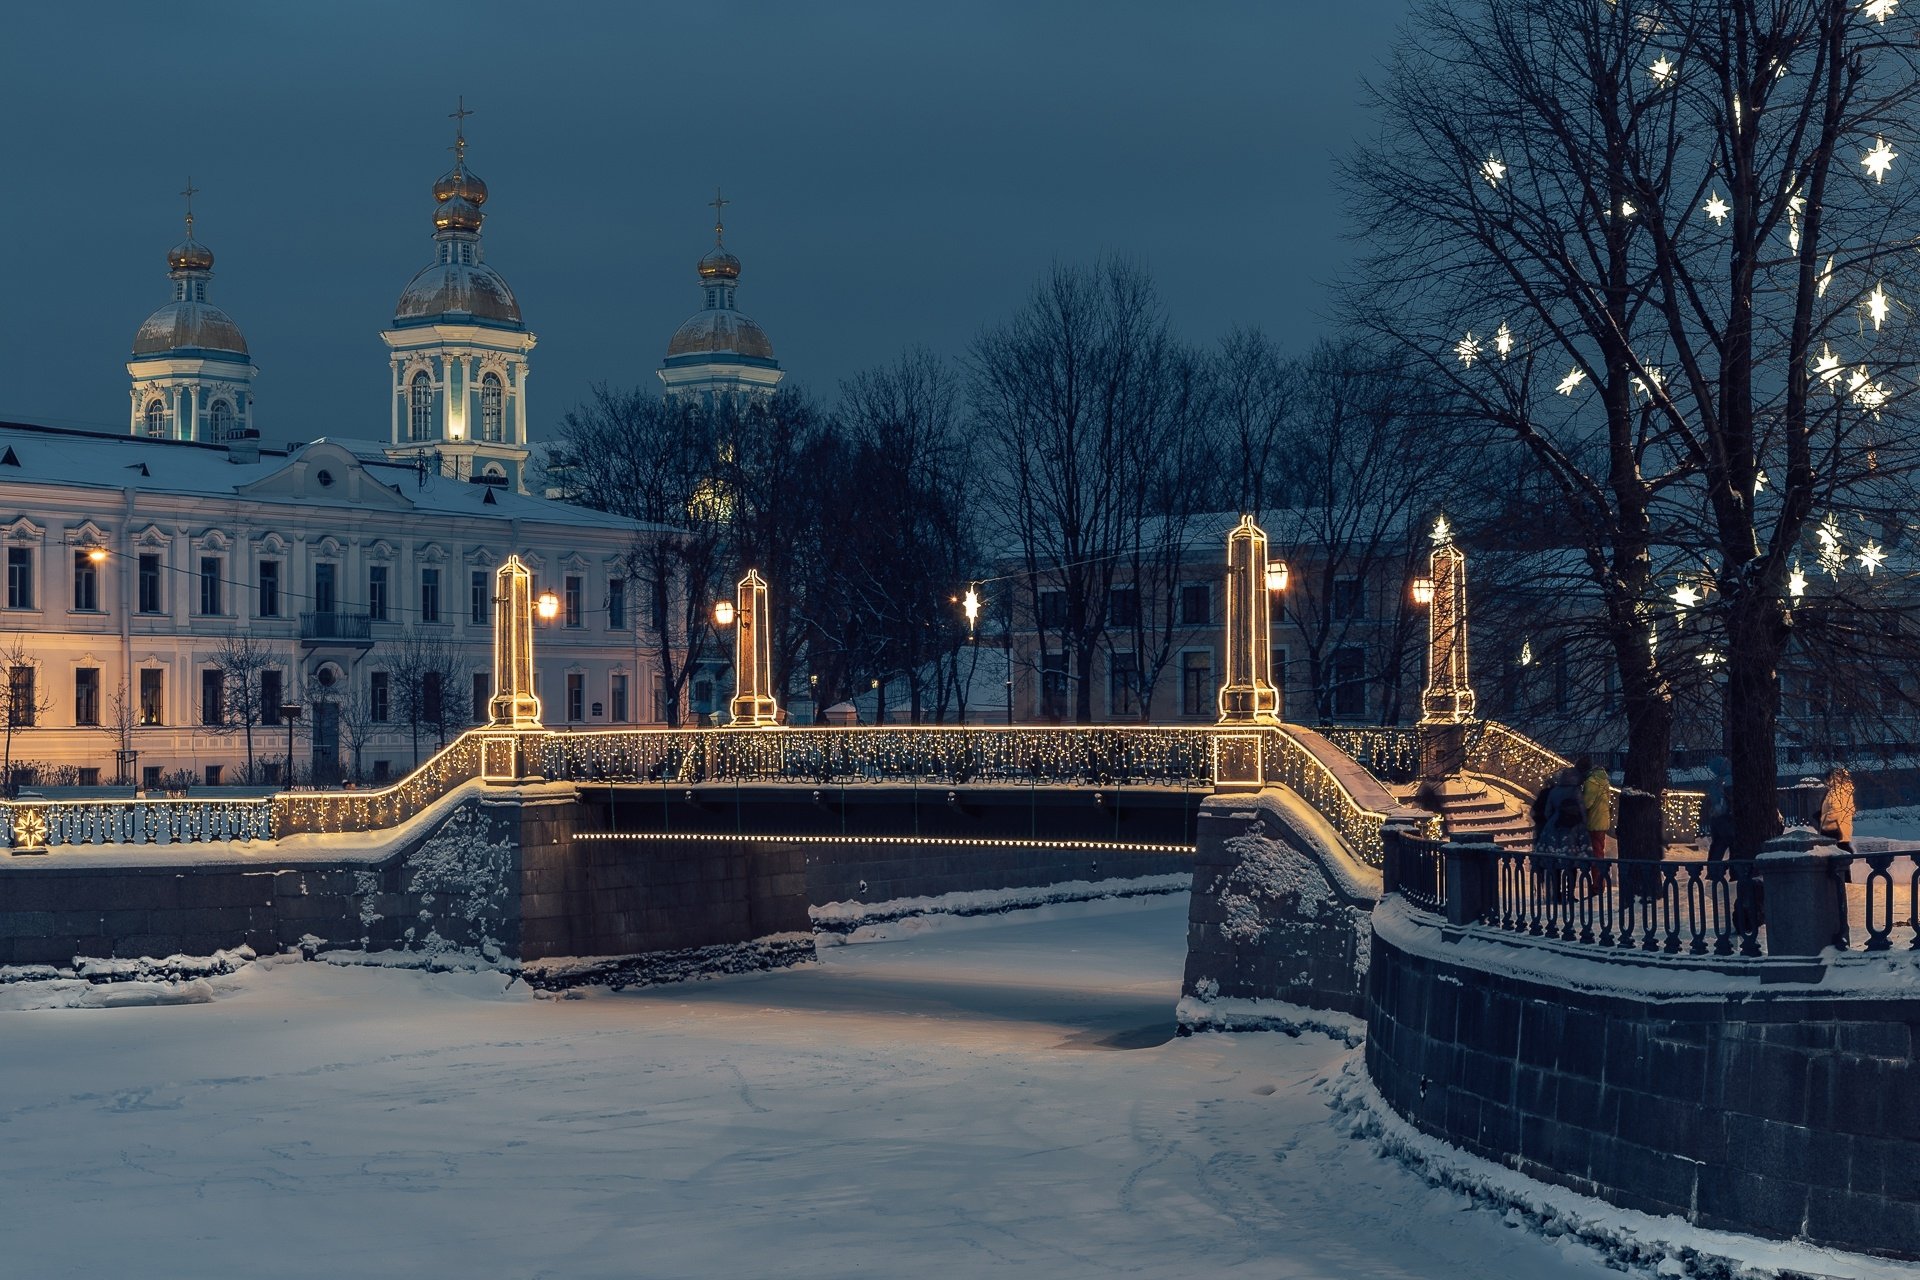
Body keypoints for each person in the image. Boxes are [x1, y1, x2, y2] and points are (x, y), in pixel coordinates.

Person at [1703, 755, 1733, 861]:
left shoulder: (1715, 783)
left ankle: (1714, 871)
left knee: (1717, 845)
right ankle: (1735, 872)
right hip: (1726, 818)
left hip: (1717, 818)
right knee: (1733, 843)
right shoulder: (1729, 780)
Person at [1819, 766, 1855, 852]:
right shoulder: (1844, 790)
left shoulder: (1839, 792)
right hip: (1840, 828)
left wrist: (1824, 818)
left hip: (1835, 829)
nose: (1825, 781)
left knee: (1837, 852)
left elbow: (1837, 810)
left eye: (1827, 779)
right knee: (1841, 851)